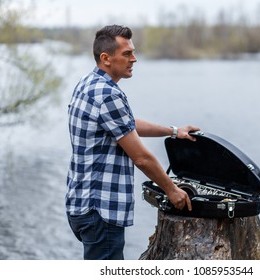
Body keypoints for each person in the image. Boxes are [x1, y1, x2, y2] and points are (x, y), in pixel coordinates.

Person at [66, 24, 199, 260]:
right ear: (106, 58)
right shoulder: (109, 94)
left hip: (81, 203)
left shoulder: (88, 84)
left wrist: (174, 131)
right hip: (101, 210)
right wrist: (172, 190)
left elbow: (126, 124)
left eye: (133, 52)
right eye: (127, 54)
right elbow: (141, 157)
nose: (134, 59)